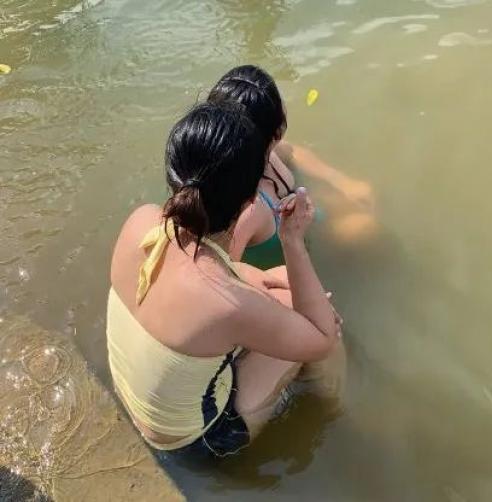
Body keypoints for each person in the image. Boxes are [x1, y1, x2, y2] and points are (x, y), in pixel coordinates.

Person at [107, 101, 340, 458]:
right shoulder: (227, 303)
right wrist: (293, 242)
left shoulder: (141, 220)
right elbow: (322, 337)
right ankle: (336, 409)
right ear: (250, 199)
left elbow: (213, 281)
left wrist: (272, 283)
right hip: (189, 440)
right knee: (324, 323)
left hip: (131, 392)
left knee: (279, 282)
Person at [207, 65, 376, 269]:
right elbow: (220, 271)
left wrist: (340, 180)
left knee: (362, 202)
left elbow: (295, 152)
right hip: (290, 256)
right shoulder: (246, 209)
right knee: (367, 228)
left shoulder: (268, 153)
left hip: (304, 221)